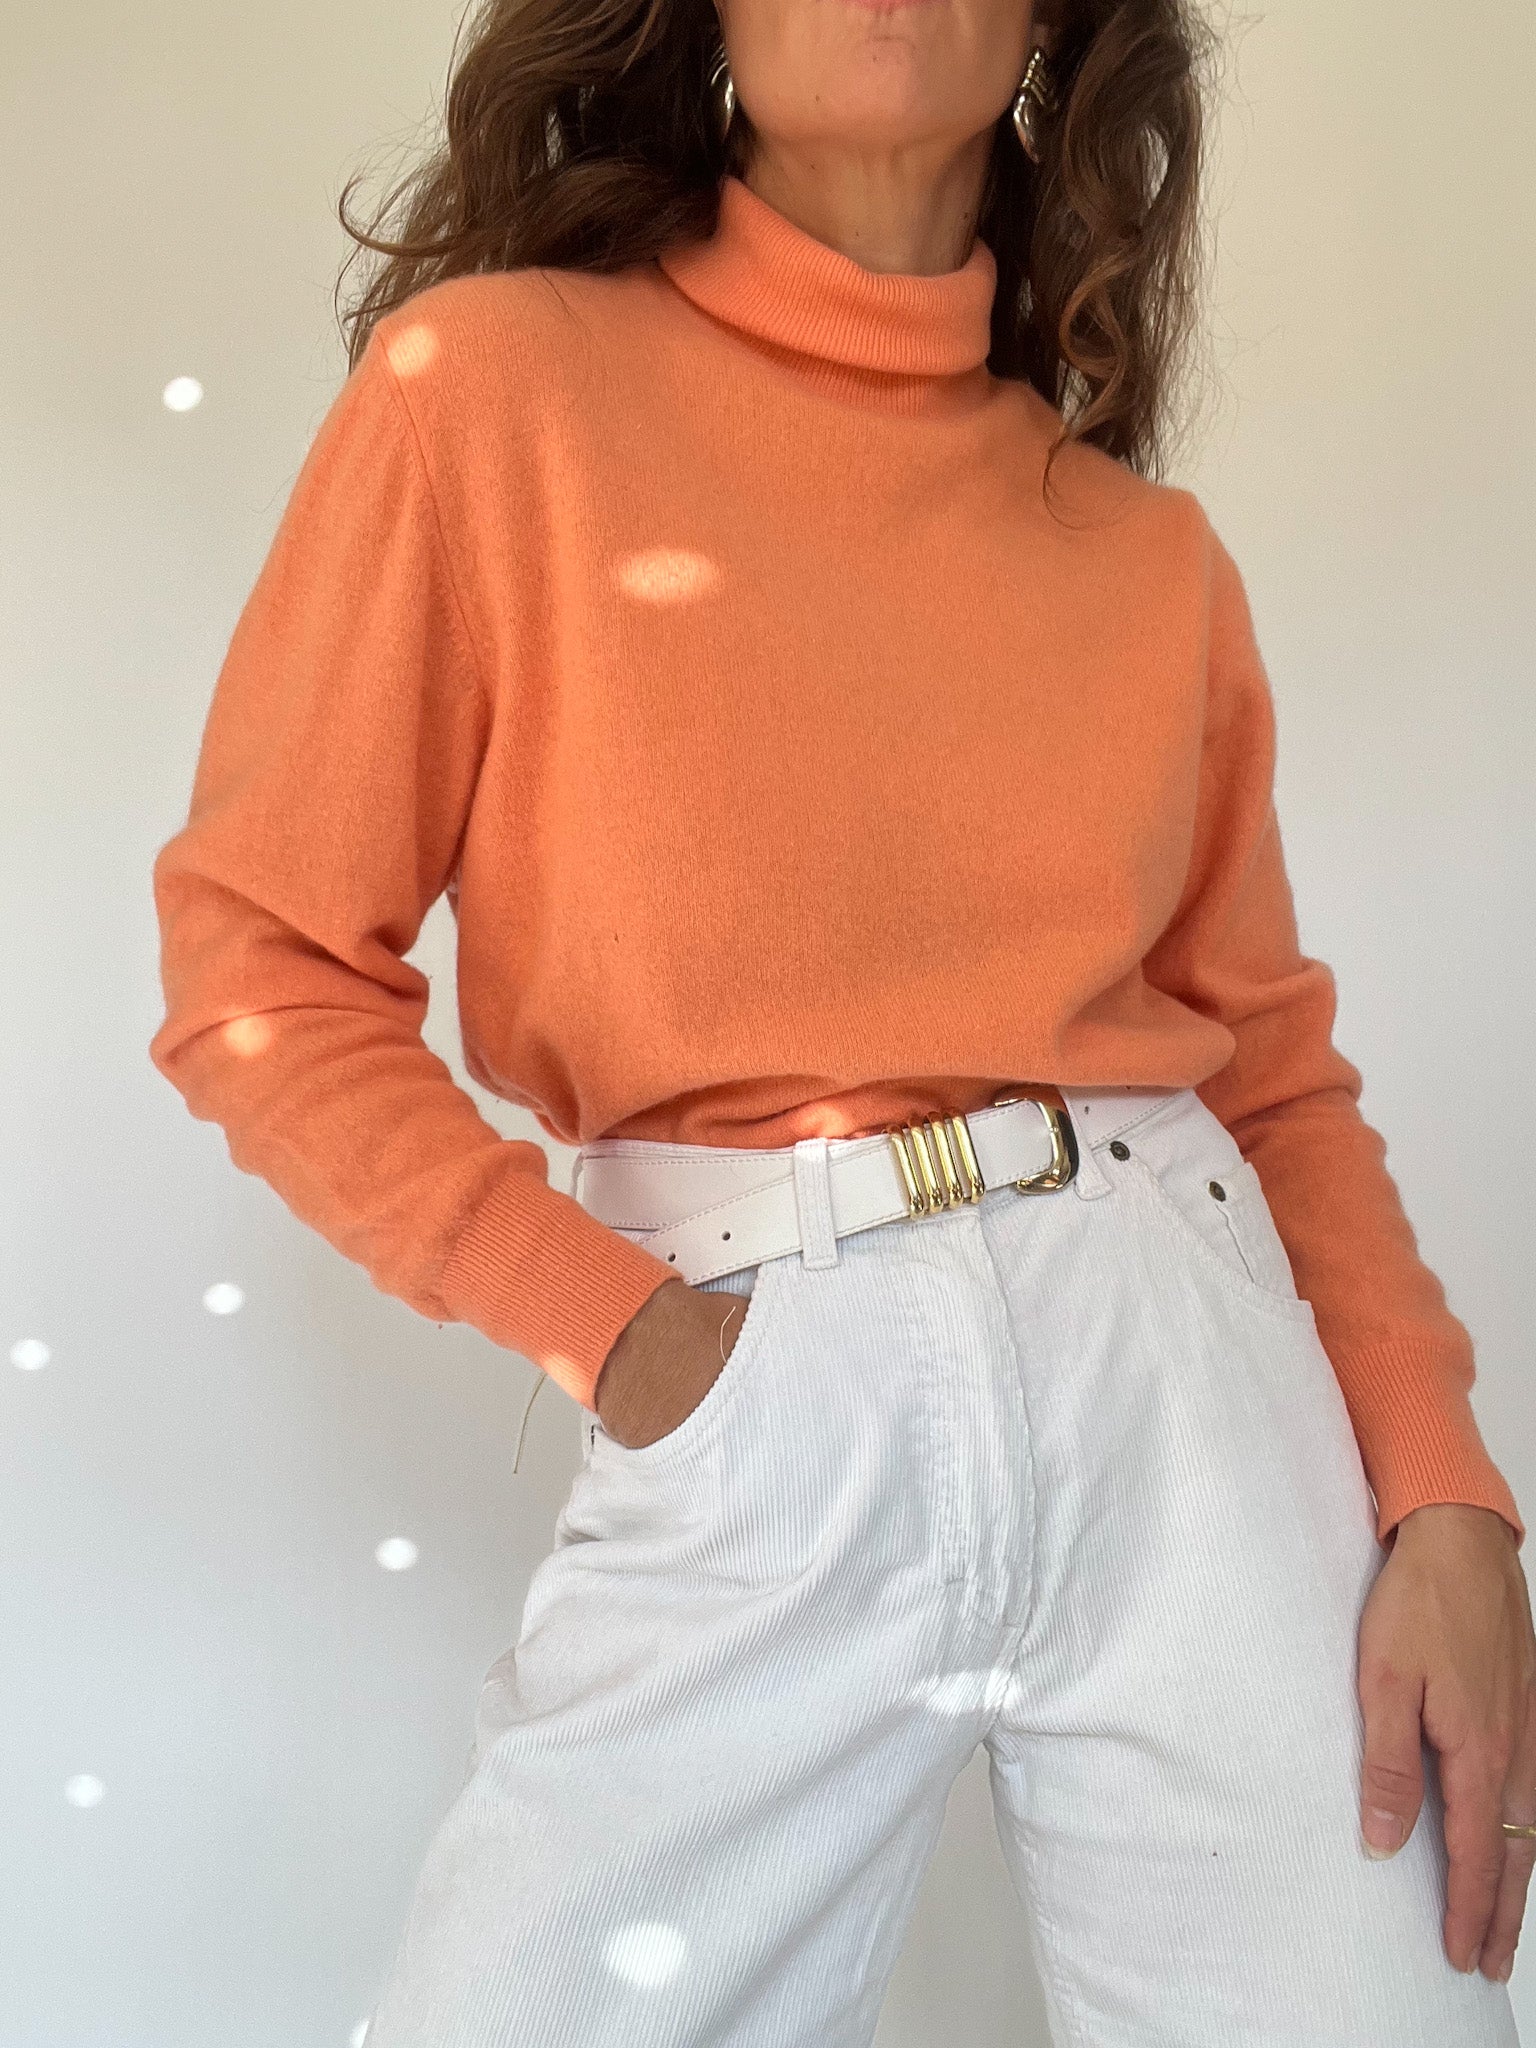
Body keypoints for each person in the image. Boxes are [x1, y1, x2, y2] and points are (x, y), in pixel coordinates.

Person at [147, 0, 1535, 2038]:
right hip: (758, 1382)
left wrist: (1448, 1492)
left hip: (1195, 1381)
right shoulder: (488, 395)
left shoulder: (1147, 558)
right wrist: (632, 1341)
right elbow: (259, 967)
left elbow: (1272, 1076)